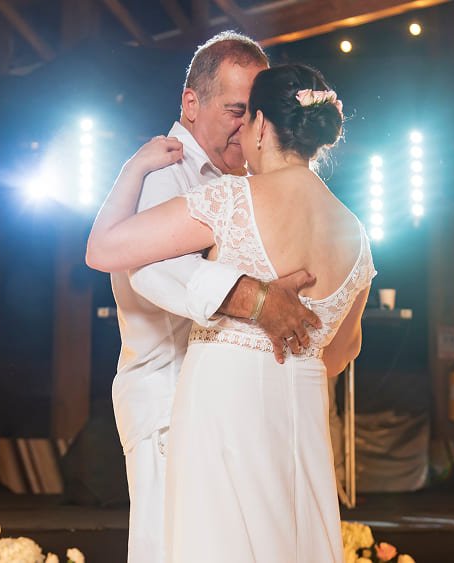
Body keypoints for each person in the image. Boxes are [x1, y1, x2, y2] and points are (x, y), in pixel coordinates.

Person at [87, 63, 375, 563]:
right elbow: (344, 349)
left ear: (261, 126)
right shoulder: (355, 232)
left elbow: (104, 249)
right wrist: (290, 352)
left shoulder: (231, 200)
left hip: (222, 406)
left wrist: (133, 167)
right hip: (303, 414)